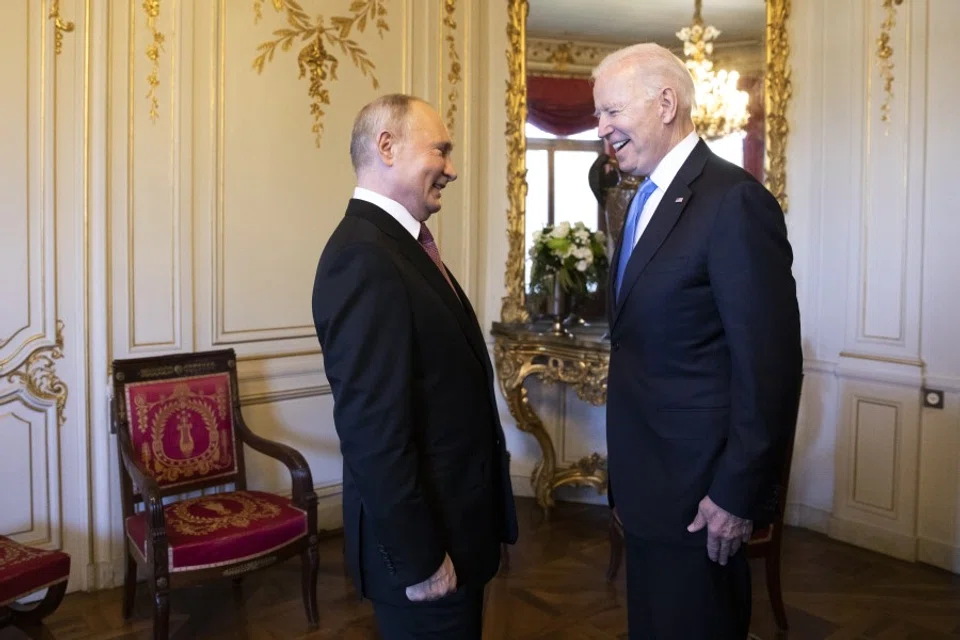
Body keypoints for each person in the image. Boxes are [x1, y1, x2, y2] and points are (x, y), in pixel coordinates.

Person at [593, 44, 803, 639]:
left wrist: (737, 494)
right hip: (649, 488)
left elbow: (771, 366)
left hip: (703, 496)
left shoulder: (732, 200)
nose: (602, 129)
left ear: (666, 103)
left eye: (611, 111)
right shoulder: (643, 197)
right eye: (597, 115)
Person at [311, 94, 518, 639]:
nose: (451, 168)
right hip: (426, 554)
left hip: (455, 528)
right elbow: (373, 433)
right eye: (440, 150)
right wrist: (421, 558)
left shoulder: (397, 247)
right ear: (386, 146)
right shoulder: (364, 257)